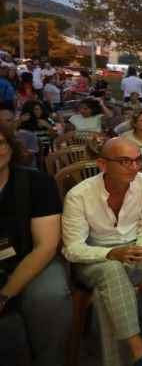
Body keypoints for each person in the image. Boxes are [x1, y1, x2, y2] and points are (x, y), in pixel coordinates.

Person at [62, 137, 142, 366]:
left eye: (138, 160)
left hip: (135, 250)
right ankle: (138, 349)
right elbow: (73, 249)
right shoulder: (79, 195)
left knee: (110, 285)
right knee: (111, 271)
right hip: (93, 255)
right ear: (102, 164)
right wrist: (110, 254)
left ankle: (133, 357)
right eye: (125, 161)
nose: (134, 167)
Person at [0, 124, 70, 366]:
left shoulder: (37, 183)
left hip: (32, 258)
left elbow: (46, 246)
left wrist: (5, 295)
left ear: (10, 147)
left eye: (1, 143)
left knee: (49, 296)